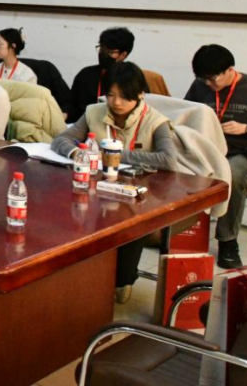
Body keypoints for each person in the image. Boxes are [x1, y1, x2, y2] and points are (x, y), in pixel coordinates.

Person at [52, 63, 176, 301]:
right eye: (111, 95)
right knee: (72, 213)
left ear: (140, 94)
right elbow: (62, 139)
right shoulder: (94, 112)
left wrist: (115, 155)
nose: (116, 102)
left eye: (124, 96)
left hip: (137, 192)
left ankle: (123, 279)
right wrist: (77, 153)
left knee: (130, 221)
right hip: (98, 187)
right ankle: (83, 278)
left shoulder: (155, 121)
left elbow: (168, 159)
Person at [184, 44, 247, 268]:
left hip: (245, 152)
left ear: (230, 70)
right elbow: (186, 115)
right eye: (203, 79)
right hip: (207, 149)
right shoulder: (200, 86)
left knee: (231, 175)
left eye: (213, 78)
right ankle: (177, 235)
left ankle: (227, 241)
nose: (209, 84)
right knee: (174, 165)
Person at [68, 27, 143, 122]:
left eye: (110, 52)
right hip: (85, 124)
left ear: (123, 55)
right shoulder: (85, 75)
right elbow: (71, 104)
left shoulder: (133, 78)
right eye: (102, 49)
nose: (103, 54)